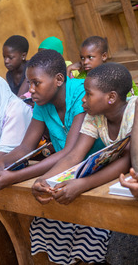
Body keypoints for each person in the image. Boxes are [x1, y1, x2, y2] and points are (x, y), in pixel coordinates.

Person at [31, 62, 135, 264]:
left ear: (111, 97)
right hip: (118, 181)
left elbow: (127, 160)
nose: (83, 100)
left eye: (88, 94)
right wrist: (44, 179)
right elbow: (73, 156)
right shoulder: (95, 117)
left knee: (119, 248)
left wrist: (83, 184)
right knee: (51, 221)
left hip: (128, 181)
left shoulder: (134, 111)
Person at [0, 49, 103, 192]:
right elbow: (26, 147)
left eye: (36, 83)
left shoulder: (82, 94)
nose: (31, 89)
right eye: (29, 83)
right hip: (67, 172)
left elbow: (69, 151)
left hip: (98, 169)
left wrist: (15, 176)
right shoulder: (42, 102)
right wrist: (1, 162)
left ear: (58, 79)